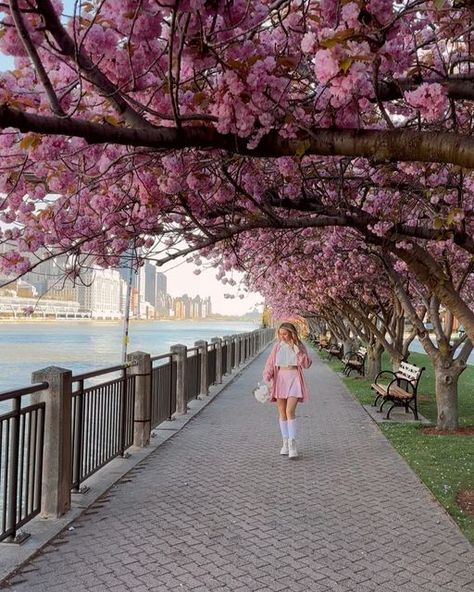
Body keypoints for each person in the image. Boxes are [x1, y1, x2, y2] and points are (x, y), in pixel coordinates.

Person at [263, 322, 312, 459]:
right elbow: (270, 363)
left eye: (285, 334)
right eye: (280, 334)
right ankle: (285, 442)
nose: (282, 336)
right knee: (282, 412)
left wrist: (296, 350)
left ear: (292, 333)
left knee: (290, 411)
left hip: (294, 379)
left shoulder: (299, 347)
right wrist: (267, 376)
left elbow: (307, 364)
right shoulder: (277, 347)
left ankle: (292, 443)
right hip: (280, 380)